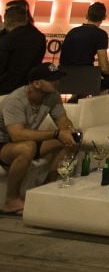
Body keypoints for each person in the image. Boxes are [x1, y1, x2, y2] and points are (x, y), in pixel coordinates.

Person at [0, 64, 77, 215]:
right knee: (27, 147)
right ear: (36, 83)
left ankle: (48, 187)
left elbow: (63, 123)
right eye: (52, 80)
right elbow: (17, 135)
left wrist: (69, 130)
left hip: (25, 141)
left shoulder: (52, 96)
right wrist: (56, 134)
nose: (57, 82)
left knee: (73, 139)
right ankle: (11, 200)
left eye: (57, 79)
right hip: (4, 144)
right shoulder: (15, 100)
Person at [59, 1, 109, 92]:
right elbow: (104, 67)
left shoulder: (72, 32)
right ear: (104, 17)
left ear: (87, 16)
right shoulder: (101, 34)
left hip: (64, 79)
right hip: (87, 80)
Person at [0, 4, 46, 95]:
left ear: (6, 21)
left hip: (6, 90)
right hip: (30, 89)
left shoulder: (7, 39)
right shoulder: (39, 37)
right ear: (25, 19)